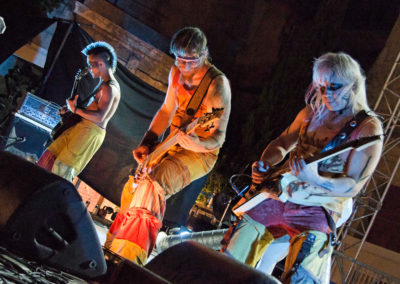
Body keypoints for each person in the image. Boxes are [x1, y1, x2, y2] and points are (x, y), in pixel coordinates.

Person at [223, 52, 383, 283]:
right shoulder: (311, 113)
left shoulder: (367, 129)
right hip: (280, 196)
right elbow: (282, 142)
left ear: (354, 85)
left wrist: (315, 178)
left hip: (319, 206)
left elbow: (352, 186)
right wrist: (266, 163)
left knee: (301, 276)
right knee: (231, 254)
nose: (326, 94)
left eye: (334, 87)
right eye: (320, 87)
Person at [105, 27, 231, 265]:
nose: (183, 66)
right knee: (136, 184)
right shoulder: (175, 73)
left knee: (155, 184)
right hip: (172, 142)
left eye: (189, 61)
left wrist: (195, 141)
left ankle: (131, 260)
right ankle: (113, 250)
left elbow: (219, 138)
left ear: (204, 54)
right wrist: (148, 141)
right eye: (178, 59)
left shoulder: (217, 85)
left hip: (200, 154)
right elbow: (166, 110)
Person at [37, 41, 120, 182]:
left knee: (62, 169)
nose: (89, 68)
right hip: (82, 127)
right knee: (48, 158)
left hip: (90, 132)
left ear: (100, 63)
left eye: (90, 64)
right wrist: (71, 112)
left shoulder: (110, 88)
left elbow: (100, 117)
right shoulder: (103, 84)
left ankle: (53, 201)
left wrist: (75, 109)